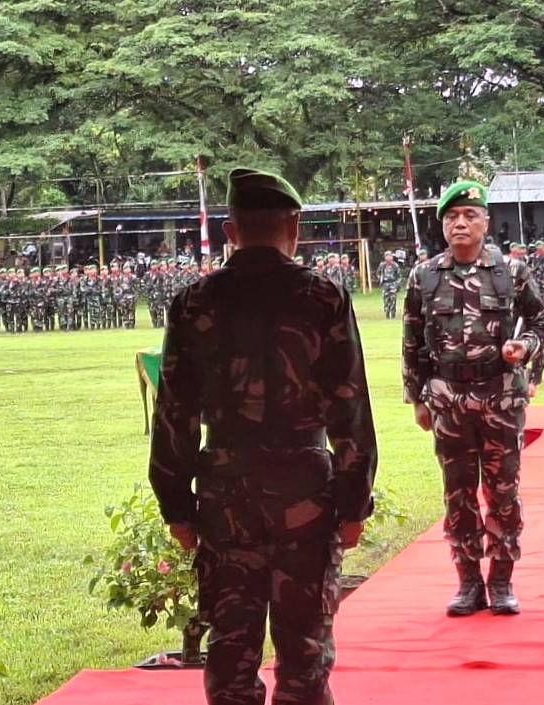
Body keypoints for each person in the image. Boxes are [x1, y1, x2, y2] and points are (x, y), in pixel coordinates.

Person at [148, 167, 377, 705]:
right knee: (304, 653)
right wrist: (353, 503)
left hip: (227, 494)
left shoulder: (194, 303)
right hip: (305, 492)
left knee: (231, 652)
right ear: (293, 225)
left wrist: (176, 507)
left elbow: (173, 414)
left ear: (230, 231)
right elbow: (350, 409)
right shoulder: (323, 299)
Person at [401, 180, 544, 617]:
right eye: (452, 217)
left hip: (500, 397)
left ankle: (501, 579)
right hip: (448, 401)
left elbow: (542, 322)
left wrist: (524, 348)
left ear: (486, 222)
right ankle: (468, 580)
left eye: (470, 216)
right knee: (458, 494)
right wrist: (417, 400)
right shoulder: (424, 276)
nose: (461, 224)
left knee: (503, 492)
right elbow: (411, 341)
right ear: (442, 225)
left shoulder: (511, 272)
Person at [376, 250, 402, 319]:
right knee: (386, 300)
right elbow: (378, 273)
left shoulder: (395, 265)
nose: (388, 258)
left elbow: (399, 276)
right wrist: (380, 279)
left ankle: (393, 314)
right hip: (385, 284)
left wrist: (397, 284)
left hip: (393, 284)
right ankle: (387, 313)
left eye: (390, 256)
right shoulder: (382, 265)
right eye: (387, 256)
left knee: (393, 300)